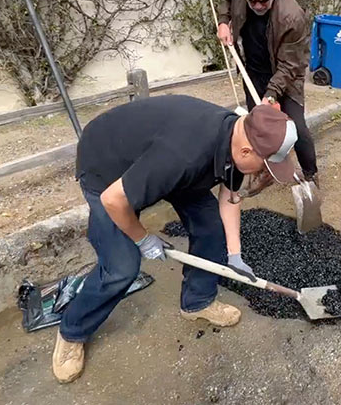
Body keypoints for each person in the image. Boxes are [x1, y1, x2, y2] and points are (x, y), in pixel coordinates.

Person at [52, 95, 298, 383]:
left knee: (211, 227)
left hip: (160, 163)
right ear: (245, 151)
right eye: (264, 166)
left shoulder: (234, 137)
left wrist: (234, 254)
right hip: (107, 167)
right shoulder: (184, 155)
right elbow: (114, 199)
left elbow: (230, 199)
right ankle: (72, 331)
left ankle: (197, 302)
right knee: (121, 266)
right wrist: (142, 239)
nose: (264, 172)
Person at [217, 0, 319, 192]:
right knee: (257, 128)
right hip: (252, 71)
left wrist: (271, 96)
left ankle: (311, 178)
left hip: (286, 74)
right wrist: (224, 22)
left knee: (297, 129)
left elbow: (290, 65)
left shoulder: (292, 16)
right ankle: (265, 171)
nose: (257, 5)